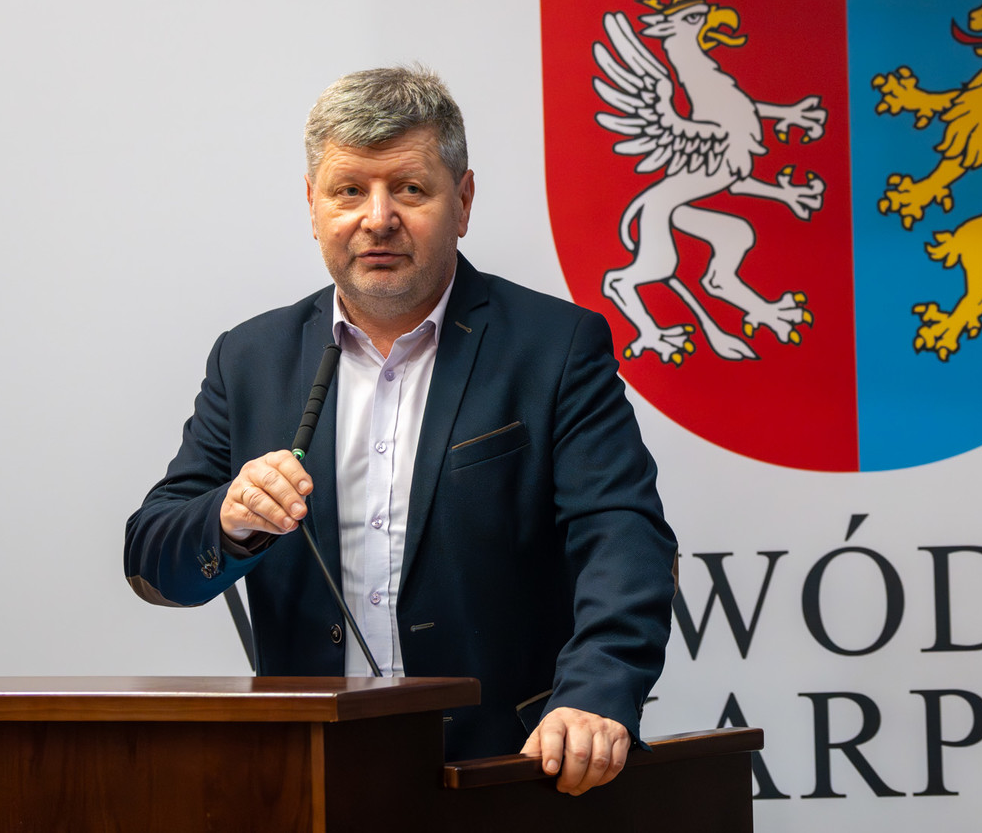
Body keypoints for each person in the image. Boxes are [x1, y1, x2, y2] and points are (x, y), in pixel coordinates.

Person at [124, 65, 677, 795]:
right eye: (349, 190)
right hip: (310, 780)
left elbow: (622, 537)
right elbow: (151, 561)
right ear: (313, 205)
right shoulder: (249, 359)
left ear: (463, 201)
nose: (377, 218)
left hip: (506, 774)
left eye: (410, 189)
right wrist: (228, 520)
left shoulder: (556, 346)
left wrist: (597, 692)